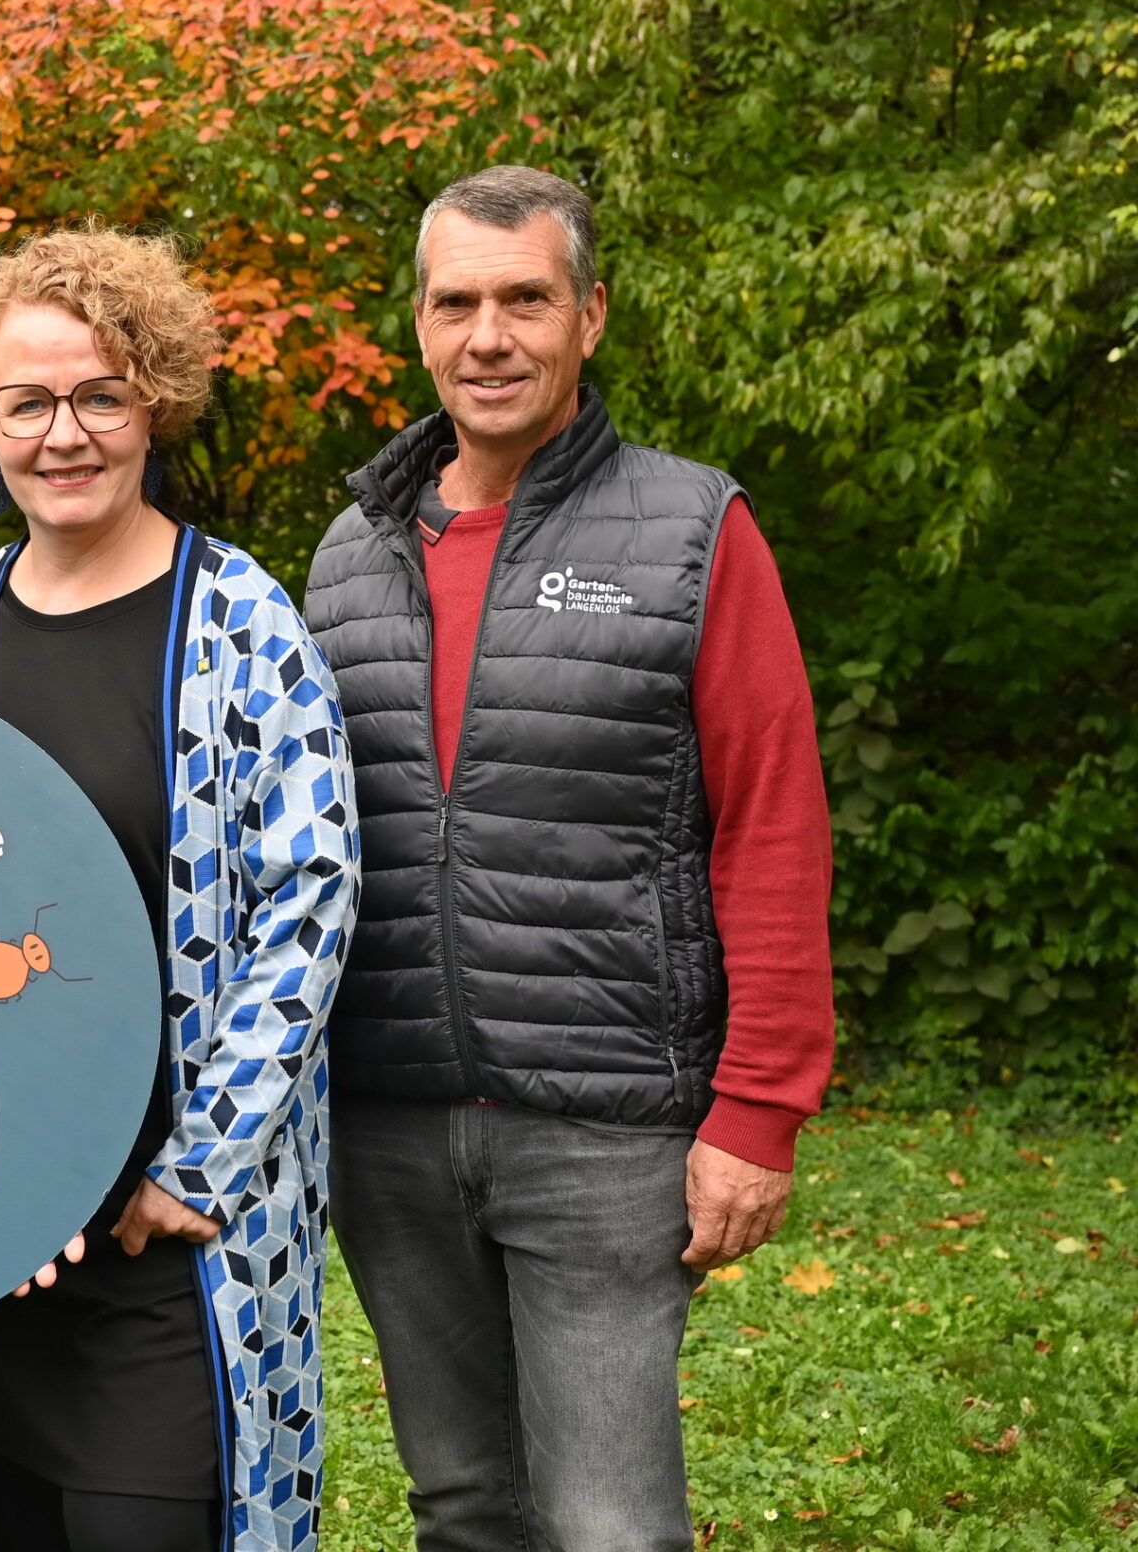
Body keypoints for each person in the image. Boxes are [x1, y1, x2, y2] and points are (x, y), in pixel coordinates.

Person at [303, 165, 836, 1551]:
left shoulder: (689, 529)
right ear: (418, 326)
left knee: (609, 1523)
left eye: (526, 299)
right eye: (457, 302)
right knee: (466, 1505)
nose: (490, 335)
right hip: (393, 1118)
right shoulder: (347, 555)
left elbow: (773, 818)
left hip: (605, 1126)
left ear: (587, 316)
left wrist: (758, 1110)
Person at [0, 227, 359, 1552]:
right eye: (26, 402)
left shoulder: (239, 624)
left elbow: (308, 903)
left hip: (176, 1240)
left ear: (153, 398)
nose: (64, 433)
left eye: (100, 394)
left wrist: (196, 1167)